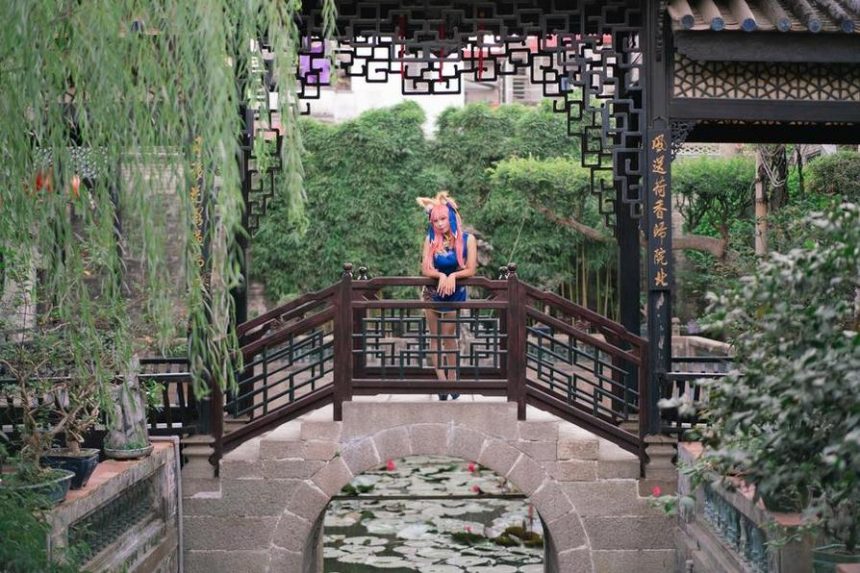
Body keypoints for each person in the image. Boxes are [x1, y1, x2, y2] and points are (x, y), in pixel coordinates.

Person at [416, 192, 477, 400]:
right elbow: (426, 268)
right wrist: (441, 275)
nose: (440, 224)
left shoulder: (468, 240)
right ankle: (441, 382)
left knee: (449, 337)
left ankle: (453, 378)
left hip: (454, 292)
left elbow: (470, 269)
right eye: (435, 220)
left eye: (443, 219)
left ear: (451, 217)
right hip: (433, 292)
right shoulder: (431, 239)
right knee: (434, 337)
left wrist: (453, 276)